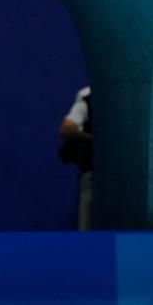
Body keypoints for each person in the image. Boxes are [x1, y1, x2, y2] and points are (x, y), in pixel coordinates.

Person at [59, 86, 93, 230]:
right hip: (92, 177)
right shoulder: (87, 97)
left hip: (124, 181)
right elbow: (67, 128)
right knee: (87, 231)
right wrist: (93, 139)